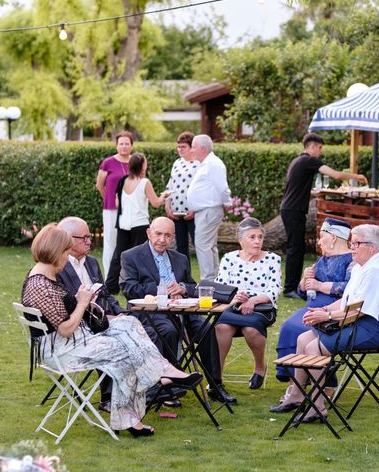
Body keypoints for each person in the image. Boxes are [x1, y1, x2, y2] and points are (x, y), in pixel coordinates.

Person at [21, 223, 203, 437]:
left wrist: (91, 306)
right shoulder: (40, 286)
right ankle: (146, 395)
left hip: (75, 339)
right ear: (55, 252)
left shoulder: (46, 276)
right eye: (65, 251)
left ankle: (163, 372)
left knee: (129, 323)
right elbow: (65, 330)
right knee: (125, 351)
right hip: (61, 350)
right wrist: (81, 303)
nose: (67, 257)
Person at [270, 224, 379, 422]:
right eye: (351, 242)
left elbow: (358, 312)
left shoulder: (376, 272)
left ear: (372, 248)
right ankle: (295, 396)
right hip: (356, 322)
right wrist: (324, 309)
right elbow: (346, 300)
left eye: (356, 243)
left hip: (373, 329)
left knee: (314, 348)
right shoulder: (360, 267)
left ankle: (317, 406)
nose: (352, 247)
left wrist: (328, 318)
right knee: (303, 339)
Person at [119, 216, 236, 405]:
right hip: (151, 311)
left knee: (206, 330)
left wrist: (182, 287)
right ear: (149, 233)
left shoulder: (180, 258)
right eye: (158, 234)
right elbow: (128, 288)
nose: (162, 239)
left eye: (167, 236)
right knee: (169, 331)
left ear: (173, 237)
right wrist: (161, 289)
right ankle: (167, 385)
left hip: (184, 310)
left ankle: (215, 385)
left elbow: (192, 286)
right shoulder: (130, 256)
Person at [280, 132, 367, 299]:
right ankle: (290, 289)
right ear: (311, 146)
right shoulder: (308, 160)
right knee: (295, 248)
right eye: (319, 148)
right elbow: (336, 175)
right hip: (293, 210)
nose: (320, 151)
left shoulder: (298, 161)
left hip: (290, 208)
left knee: (296, 248)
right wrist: (356, 177)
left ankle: (291, 287)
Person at [274, 218, 353, 383]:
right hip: (312, 308)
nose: (319, 242)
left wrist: (320, 285)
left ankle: (322, 384)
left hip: (335, 312)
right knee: (288, 326)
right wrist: (304, 283)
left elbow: (351, 289)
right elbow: (304, 293)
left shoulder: (351, 261)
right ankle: (294, 381)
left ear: (333, 238)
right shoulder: (322, 260)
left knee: (299, 330)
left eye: (322, 237)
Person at [214, 218, 281, 394]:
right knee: (221, 327)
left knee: (250, 329)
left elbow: (274, 289)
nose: (257, 241)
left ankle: (259, 367)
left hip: (262, 307)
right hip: (233, 306)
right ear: (241, 240)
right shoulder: (229, 258)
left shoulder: (273, 259)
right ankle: (216, 378)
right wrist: (235, 296)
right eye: (252, 237)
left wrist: (253, 300)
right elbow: (221, 285)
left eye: (260, 237)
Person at [105, 152, 169, 294]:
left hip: (123, 224)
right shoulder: (145, 182)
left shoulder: (122, 181)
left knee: (118, 256)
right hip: (139, 224)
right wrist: (164, 195)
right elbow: (156, 203)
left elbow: (117, 202)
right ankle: (141, 283)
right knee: (142, 256)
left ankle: (110, 285)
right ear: (142, 165)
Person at [186, 134, 232, 281]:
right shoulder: (207, 163)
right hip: (205, 210)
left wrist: (227, 203)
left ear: (203, 148)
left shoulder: (213, 164)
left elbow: (222, 187)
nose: (191, 150)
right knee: (209, 245)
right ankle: (214, 279)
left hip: (209, 210)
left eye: (193, 147)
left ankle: (208, 280)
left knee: (202, 244)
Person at [96, 131, 132, 277]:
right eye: (121, 143)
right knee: (111, 242)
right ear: (117, 146)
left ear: (131, 145)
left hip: (130, 210)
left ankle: (126, 275)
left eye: (127, 143)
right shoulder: (108, 162)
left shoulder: (135, 162)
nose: (124, 146)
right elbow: (100, 184)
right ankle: (109, 278)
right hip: (111, 209)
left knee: (127, 243)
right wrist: (108, 199)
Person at [165, 131, 199, 261]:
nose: (180, 149)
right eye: (178, 146)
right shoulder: (177, 163)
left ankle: (206, 278)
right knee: (181, 247)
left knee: (199, 245)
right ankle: (185, 278)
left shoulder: (198, 164)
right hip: (177, 212)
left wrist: (195, 209)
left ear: (191, 147)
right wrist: (168, 206)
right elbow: (170, 185)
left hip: (193, 212)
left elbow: (201, 189)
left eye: (183, 147)